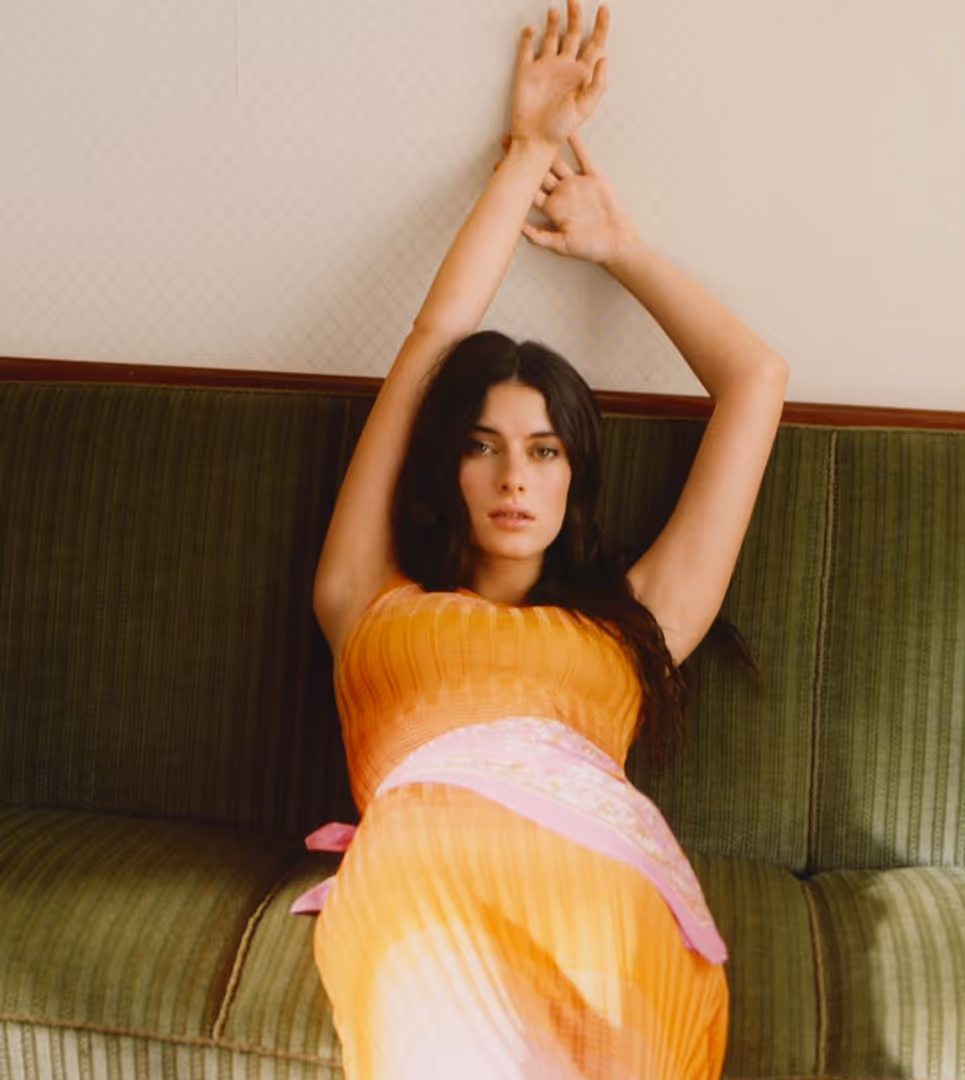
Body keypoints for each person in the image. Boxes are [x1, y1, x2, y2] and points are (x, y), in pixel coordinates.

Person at [301, 3, 789, 1077]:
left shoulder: (637, 618)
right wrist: (521, 155)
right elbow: (432, 340)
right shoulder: (364, 595)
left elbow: (755, 382)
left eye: (545, 451)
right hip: (422, 863)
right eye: (483, 447)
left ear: (576, 473)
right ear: (448, 468)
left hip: (595, 877)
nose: (514, 475)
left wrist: (620, 248)